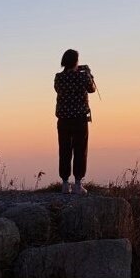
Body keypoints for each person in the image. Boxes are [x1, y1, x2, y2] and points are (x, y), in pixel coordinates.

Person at [54, 49, 96, 194]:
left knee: (64, 150)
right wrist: (89, 73)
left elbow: (57, 89)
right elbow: (92, 89)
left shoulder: (59, 77)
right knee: (80, 150)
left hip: (63, 120)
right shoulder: (82, 77)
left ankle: (65, 184)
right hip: (79, 119)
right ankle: (78, 184)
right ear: (75, 62)